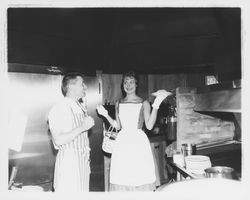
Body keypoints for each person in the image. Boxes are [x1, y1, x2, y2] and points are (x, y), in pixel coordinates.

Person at [96, 71, 171, 191]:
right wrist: (105, 114)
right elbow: (117, 126)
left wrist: (156, 104)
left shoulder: (144, 103)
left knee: (139, 176)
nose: (128, 85)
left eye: (131, 82)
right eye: (126, 82)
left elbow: (150, 125)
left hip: (138, 143)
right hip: (122, 143)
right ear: (122, 85)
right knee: (122, 176)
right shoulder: (118, 103)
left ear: (136, 85)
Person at [48, 73, 95, 192]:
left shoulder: (79, 107)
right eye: (82, 84)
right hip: (69, 165)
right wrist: (82, 128)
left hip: (82, 162)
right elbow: (58, 140)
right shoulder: (60, 108)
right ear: (71, 87)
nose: (85, 87)